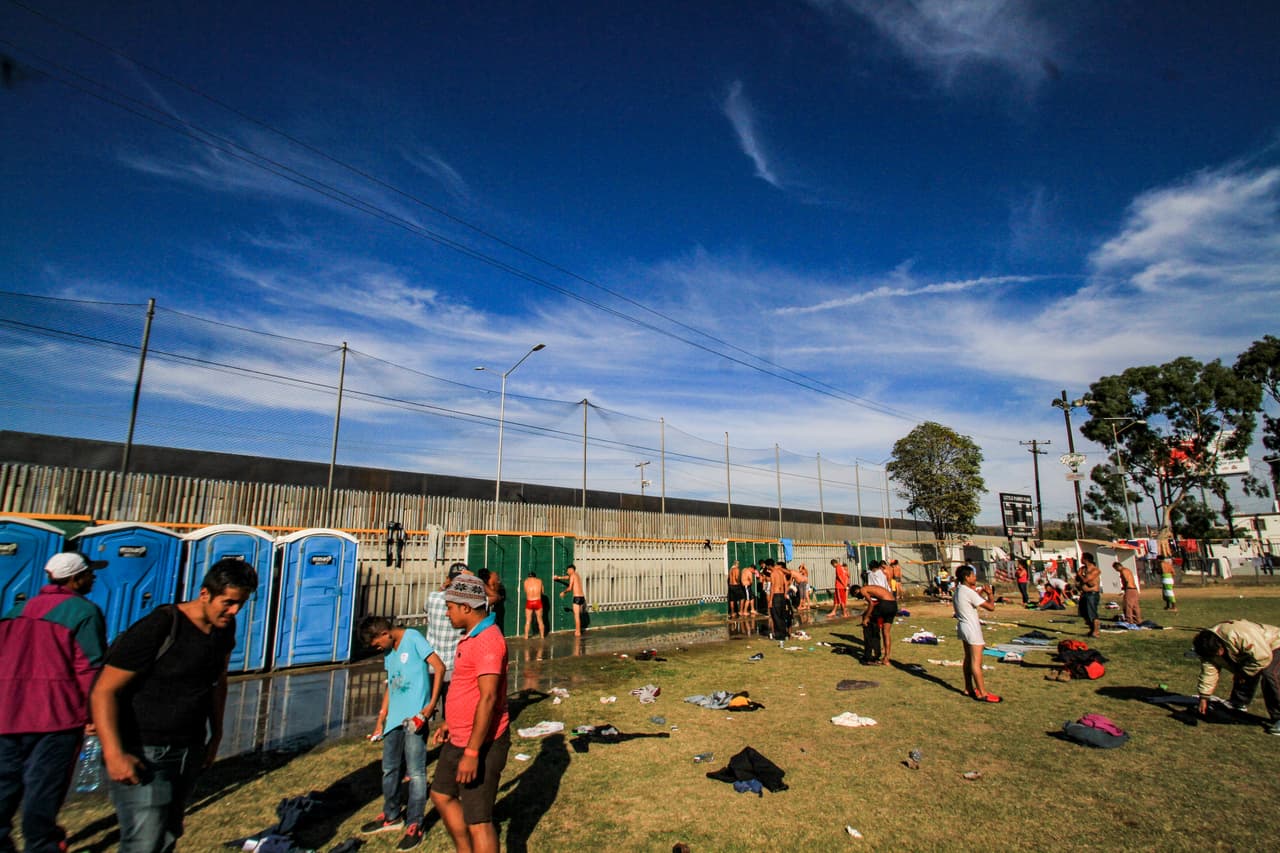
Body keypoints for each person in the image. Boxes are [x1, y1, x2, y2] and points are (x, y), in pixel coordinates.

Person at [91, 558, 255, 853]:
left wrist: (216, 734)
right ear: (204, 593)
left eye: (240, 604)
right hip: (144, 749)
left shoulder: (223, 630)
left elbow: (217, 682)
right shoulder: (161, 626)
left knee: (168, 833)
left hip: (189, 748)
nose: (234, 611)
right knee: (144, 841)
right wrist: (114, 753)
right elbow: (104, 691)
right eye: (228, 603)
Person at [0, 552, 107, 853]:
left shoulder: (16, 610)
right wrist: (94, 713)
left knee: (5, 782)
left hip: (8, 712)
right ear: (75, 579)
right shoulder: (84, 612)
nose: (93, 577)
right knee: (44, 785)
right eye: (89, 573)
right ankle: (42, 844)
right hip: (55, 714)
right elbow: (89, 667)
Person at [429, 575, 511, 853]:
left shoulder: (488, 641)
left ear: (466, 607)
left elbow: (488, 698)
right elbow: (467, 689)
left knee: (479, 820)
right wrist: (451, 721)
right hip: (460, 734)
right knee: (441, 794)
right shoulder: (471, 636)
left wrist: (473, 752)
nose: (446, 613)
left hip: (482, 742)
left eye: (450, 607)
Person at [359, 616, 445, 850]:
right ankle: (392, 815)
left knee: (416, 772)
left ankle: (415, 822)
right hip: (394, 720)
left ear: (385, 633)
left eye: (377, 644)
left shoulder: (413, 638)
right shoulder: (389, 651)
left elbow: (439, 667)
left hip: (415, 718)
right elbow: (391, 683)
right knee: (390, 768)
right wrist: (381, 718)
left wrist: (430, 706)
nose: (378, 649)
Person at [1192, 621, 1280, 736]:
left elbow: (1263, 657)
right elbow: (1208, 673)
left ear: (1220, 645)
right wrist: (1204, 697)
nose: (1218, 655)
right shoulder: (1206, 649)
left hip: (1275, 643)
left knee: (1270, 674)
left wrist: (1244, 673)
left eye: (1218, 653)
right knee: (1245, 668)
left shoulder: (1240, 635)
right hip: (1256, 651)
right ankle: (1238, 703)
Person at [426, 563, 470, 715]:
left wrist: (443, 586)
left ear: (448, 579)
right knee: (451, 710)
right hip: (454, 664)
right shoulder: (466, 605)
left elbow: (427, 606)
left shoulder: (433, 597)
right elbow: (491, 599)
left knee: (426, 709)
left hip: (432, 662)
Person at [953, 565, 1001, 703]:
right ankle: (982, 693)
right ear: (966, 577)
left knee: (968, 659)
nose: (975, 577)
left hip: (963, 627)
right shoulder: (969, 592)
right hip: (972, 629)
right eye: (973, 575)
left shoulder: (959, 590)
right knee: (976, 662)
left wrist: (980, 594)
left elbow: (972, 601)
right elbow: (991, 607)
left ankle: (968, 688)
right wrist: (990, 594)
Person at [850, 583, 897, 665]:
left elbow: (871, 604)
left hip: (885, 604)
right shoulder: (870, 588)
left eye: (857, 596)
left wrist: (866, 618)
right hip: (893, 605)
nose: (859, 598)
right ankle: (886, 658)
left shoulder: (863, 590)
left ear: (856, 591)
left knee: (868, 623)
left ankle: (869, 655)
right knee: (886, 632)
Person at [555, 564, 586, 636]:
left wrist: (564, 592)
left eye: (567, 570)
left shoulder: (572, 575)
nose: (567, 572)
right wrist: (558, 577)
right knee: (578, 615)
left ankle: (578, 632)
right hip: (582, 597)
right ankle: (579, 630)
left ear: (571, 569)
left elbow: (570, 588)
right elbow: (567, 577)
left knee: (576, 616)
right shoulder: (576, 575)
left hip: (577, 598)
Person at [1076, 553, 1102, 638]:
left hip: (1092, 594)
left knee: (1092, 613)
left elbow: (1087, 580)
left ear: (1086, 559)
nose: (1080, 560)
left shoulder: (1095, 570)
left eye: (1082, 558)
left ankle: (1096, 632)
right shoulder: (1083, 569)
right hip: (1084, 594)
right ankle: (1091, 630)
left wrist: (1080, 575)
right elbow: (1078, 580)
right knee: (1084, 613)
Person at [768, 560, 791, 641]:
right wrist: (785, 593)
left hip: (776, 595)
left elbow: (772, 587)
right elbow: (786, 584)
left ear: (769, 566)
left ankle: (779, 636)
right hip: (782, 595)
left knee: (776, 616)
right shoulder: (781, 573)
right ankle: (784, 634)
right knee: (782, 615)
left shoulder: (773, 574)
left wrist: (770, 600)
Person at [522, 571, 546, 639]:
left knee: (528, 621)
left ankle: (526, 636)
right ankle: (542, 636)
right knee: (540, 620)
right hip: (537, 601)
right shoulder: (539, 581)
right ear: (535, 576)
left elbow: (525, 591)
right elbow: (543, 592)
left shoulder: (526, 582)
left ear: (528, 577)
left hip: (529, 601)